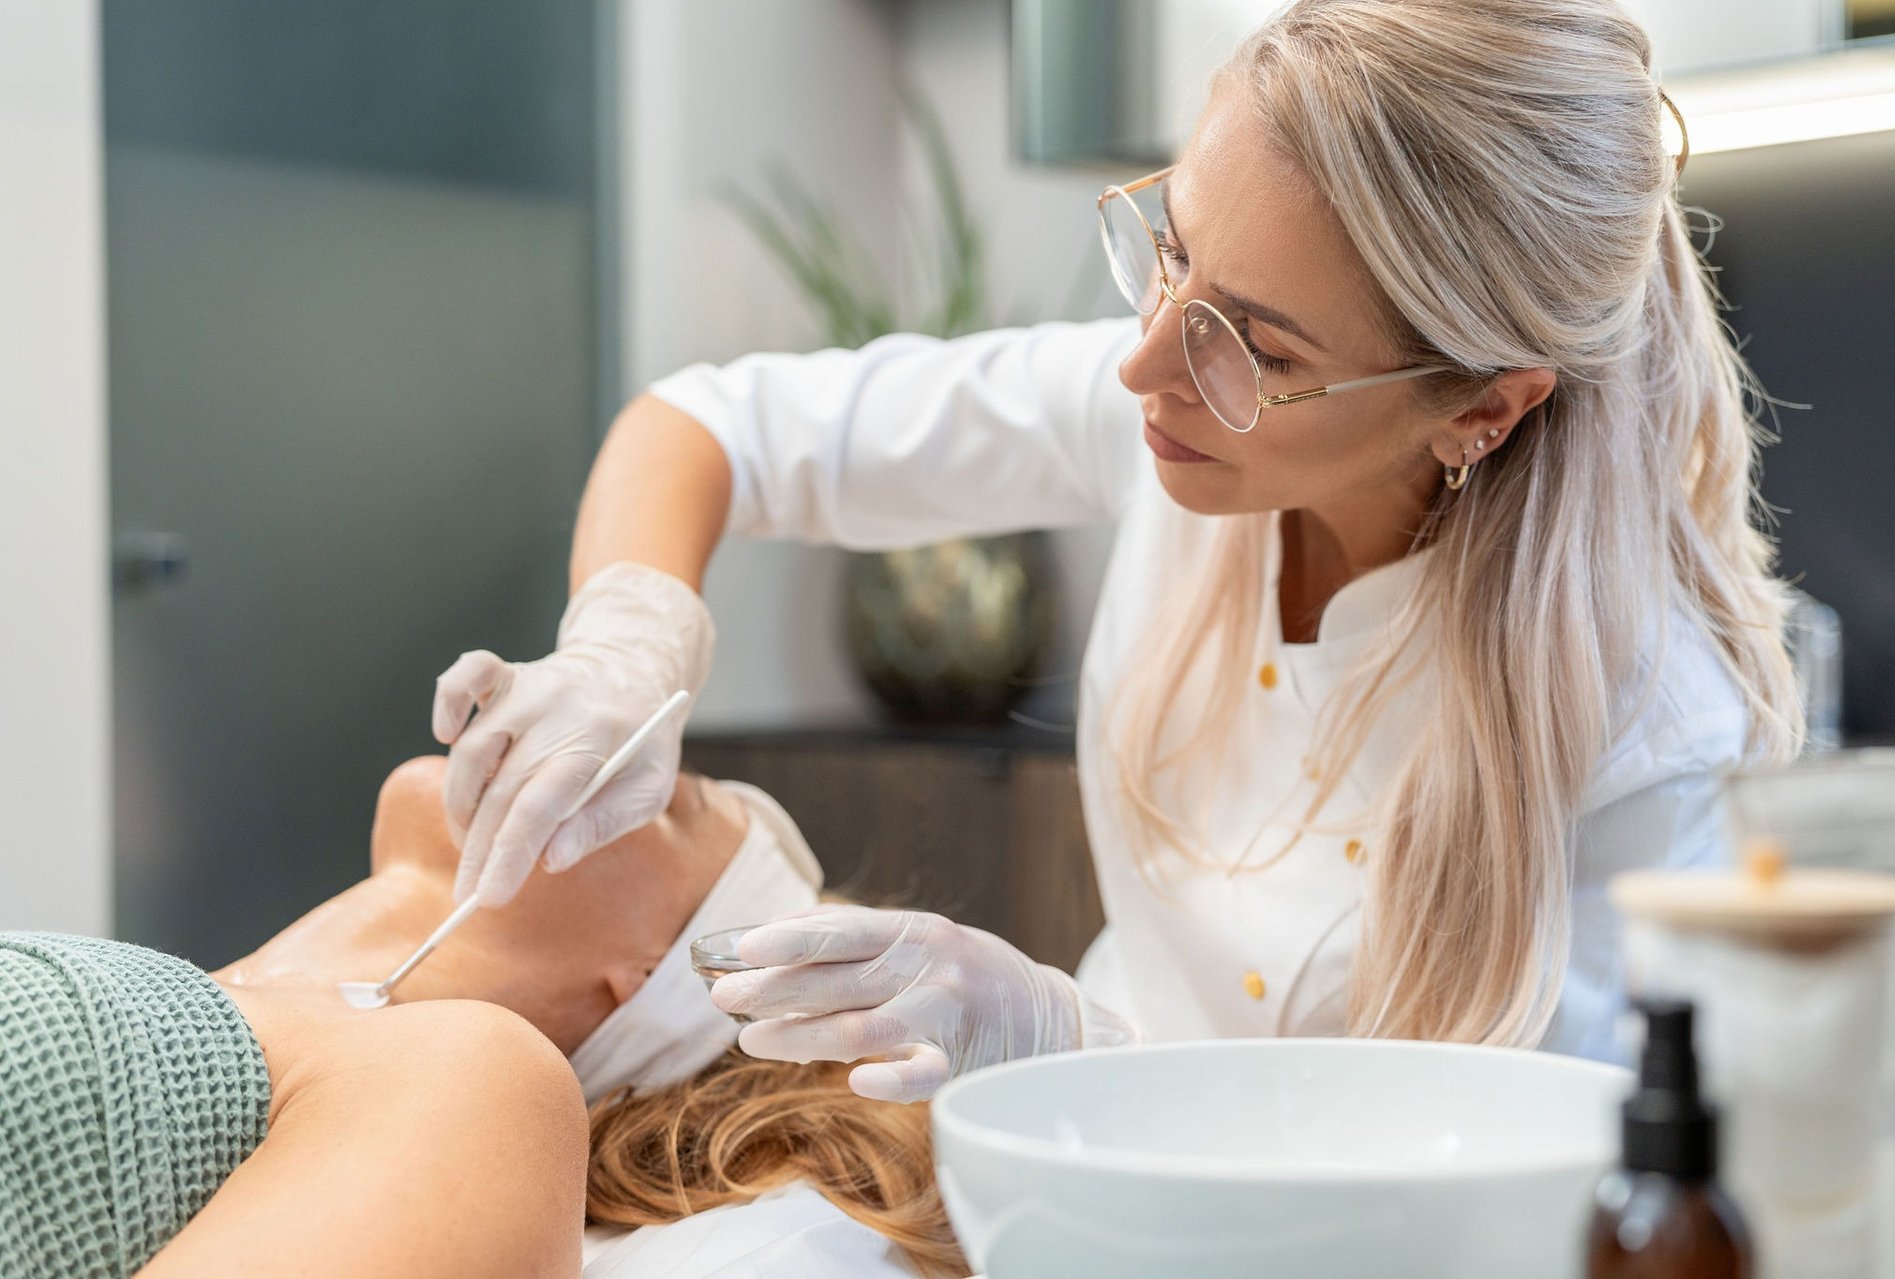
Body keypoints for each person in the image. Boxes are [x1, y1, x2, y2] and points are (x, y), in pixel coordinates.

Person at [432, 0, 1803, 1098]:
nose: (1146, 364)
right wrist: (627, 643)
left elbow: (1517, 1202)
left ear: (1482, 407)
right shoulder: (1163, 403)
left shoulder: (1650, 720)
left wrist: (1062, 1042)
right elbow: (709, 427)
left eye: (1259, 348)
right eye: (1173, 251)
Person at [0, 758, 964, 1279]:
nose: (570, 738)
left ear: (645, 971)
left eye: (668, 800)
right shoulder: (232, 1009)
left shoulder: (475, 1087)